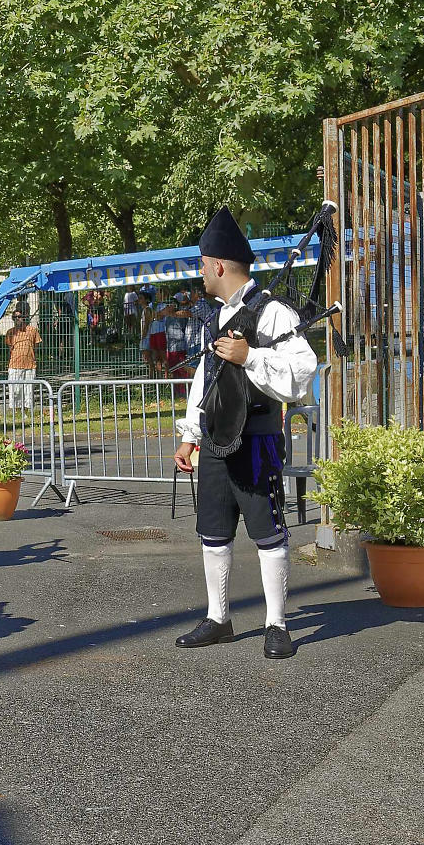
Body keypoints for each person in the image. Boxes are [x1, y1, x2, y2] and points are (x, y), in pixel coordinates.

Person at [172, 207, 317, 660]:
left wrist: (250, 356)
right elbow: (205, 380)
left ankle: (277, 624)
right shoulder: (214, 317)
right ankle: (219, 618)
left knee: (268, 534)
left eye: (201, 263)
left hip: (256, 439)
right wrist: (190, 434)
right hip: (215, 441)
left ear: (217, 265)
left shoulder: (272, 312)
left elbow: (302, 371)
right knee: (213, 533)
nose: (200, 272)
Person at [1, 308, 41, 409]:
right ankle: (16, 411)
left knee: (29, 389)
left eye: (19, 317)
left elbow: (37, 346)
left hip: (30, 365)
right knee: (15, 389)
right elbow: (9, 348)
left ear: (24, 317)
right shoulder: (10, 332)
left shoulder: (32, 330)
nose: (17, 319)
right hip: (15, 365)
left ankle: (28, 411)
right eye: (15, 317)